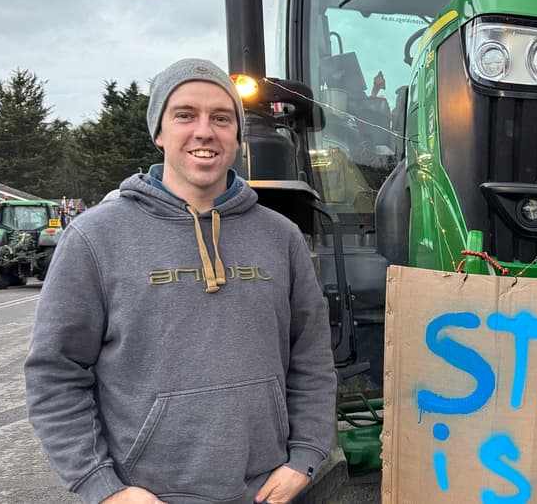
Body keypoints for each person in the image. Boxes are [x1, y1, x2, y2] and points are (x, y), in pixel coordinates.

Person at [26, 58, 337, 504]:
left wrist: (304, 457)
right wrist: (103, 486)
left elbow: (310, 357)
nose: (204, 131)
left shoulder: (280, 237)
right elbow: (55, 373)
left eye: (221, 118)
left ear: (236, 136)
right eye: (185, 115)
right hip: (149, 497)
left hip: (270, 491)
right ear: (159, 132)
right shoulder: (95, 238)